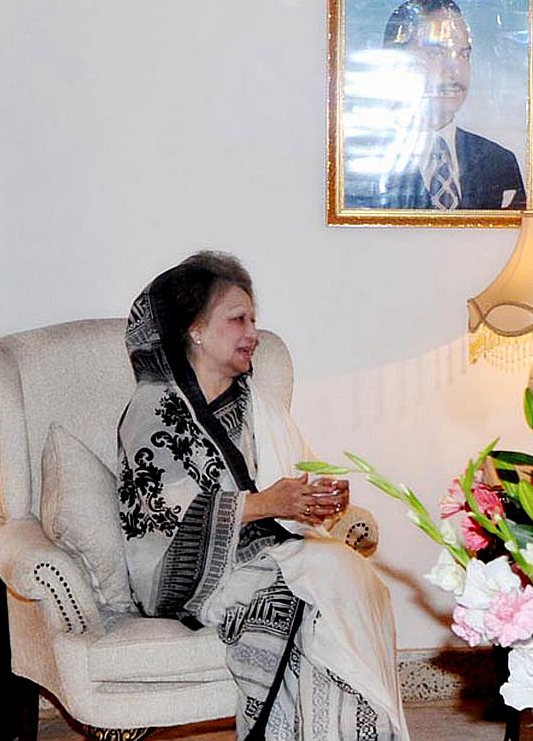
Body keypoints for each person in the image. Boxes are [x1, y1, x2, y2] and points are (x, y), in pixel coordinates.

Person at [117, 251, 407, 739]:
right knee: (322, 583)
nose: (253, 333)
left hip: (271, 556)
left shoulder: (259, 408)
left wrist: (319, 503)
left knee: (347, 576)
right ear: (195, 329)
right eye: (237, 319)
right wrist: (268, 504)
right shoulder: (153, 411)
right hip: (192, 578)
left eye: (254, 319)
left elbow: (294, 488)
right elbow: (159, 519)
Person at [343, 0, 526, 211]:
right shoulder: (358, 161)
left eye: (462, 55)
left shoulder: (499, 162)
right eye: (436, 53)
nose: (454, 71)